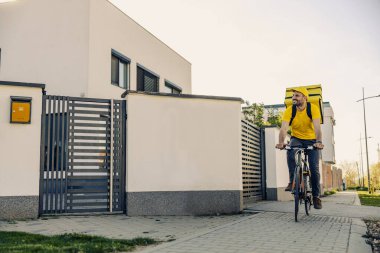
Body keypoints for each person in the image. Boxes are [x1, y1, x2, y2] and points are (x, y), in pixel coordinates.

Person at [275, 87, 324, 209]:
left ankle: (316, 196)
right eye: (293, 96)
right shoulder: (290, 111)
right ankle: (293, 181)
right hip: (296, 138)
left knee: (314, 167)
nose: (294, 98)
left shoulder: (313, 108)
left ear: (304, 97)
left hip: (312, 139)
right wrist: (281, 142)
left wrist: (318, 142)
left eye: (297, 95)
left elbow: (317, 128)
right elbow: (284, 128)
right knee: (290, 152)